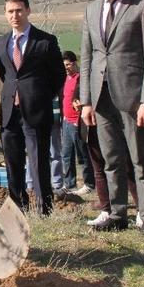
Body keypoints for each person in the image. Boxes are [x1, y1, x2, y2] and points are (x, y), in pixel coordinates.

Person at [79, 0, 144, 233]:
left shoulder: (142, 6)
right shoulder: (90, 10)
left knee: (140, 159)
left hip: (132, 97)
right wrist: (85, 101)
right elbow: (87, 58)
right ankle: (117, 213)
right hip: (99, 98)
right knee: (111, 158)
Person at [0, 0, 65, 215]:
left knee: (38, 162)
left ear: (27, 11)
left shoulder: (45, 41)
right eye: (10, 11)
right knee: (12, 162)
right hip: (9, 112)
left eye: (19, 10)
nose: (15, 15)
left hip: (36, 111)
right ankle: (18, 207)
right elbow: (5, 74)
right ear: (5, 14)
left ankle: (44, 208)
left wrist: (38, 96)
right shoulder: (1, 42)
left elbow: (58, 77)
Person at [58, 51, 95, 195]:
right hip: (66, 121)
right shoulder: (65, 79)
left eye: (68, 65)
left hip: (78, 122)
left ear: (74, 63)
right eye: (64, 65)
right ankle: (69, 184)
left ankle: (89, 184)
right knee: (66, 155)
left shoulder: (81, 79)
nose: (66, 68)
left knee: (83, 155)